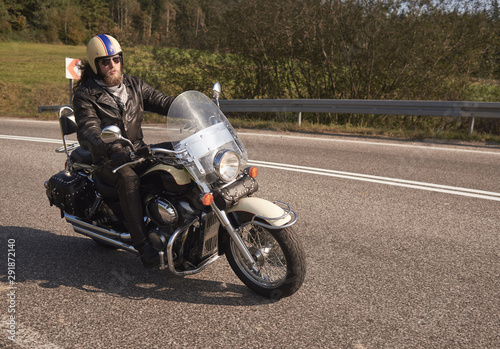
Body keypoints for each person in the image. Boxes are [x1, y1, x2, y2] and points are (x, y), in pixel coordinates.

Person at [73, 34, 175, 268]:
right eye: (105, 61)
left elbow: (164, 102)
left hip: (137, 152)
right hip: (108, 160)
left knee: (178, 157)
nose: (112, 66)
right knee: (129, 179)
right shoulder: (85, 95)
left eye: (116, 59)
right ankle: (144, 247)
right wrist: (111, 147)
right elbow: (88, 130)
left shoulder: (134, 85)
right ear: (94, 64)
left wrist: (189, 108)